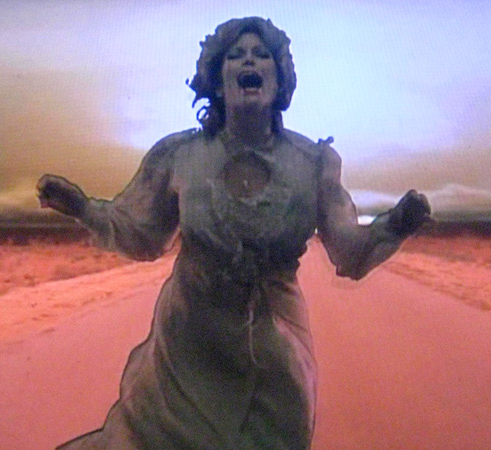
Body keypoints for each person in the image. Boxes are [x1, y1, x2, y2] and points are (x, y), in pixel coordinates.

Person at [37, 16, 431, 450]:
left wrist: (397, 224)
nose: (249, 61)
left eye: (262, 55)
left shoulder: (313, 162)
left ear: (279, 79)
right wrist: (83, 209)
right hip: (186, 355)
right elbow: (142, 234)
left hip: (275, 359)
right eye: (236, 55)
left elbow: (349, 252)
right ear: (217, 78)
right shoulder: (180, 155)